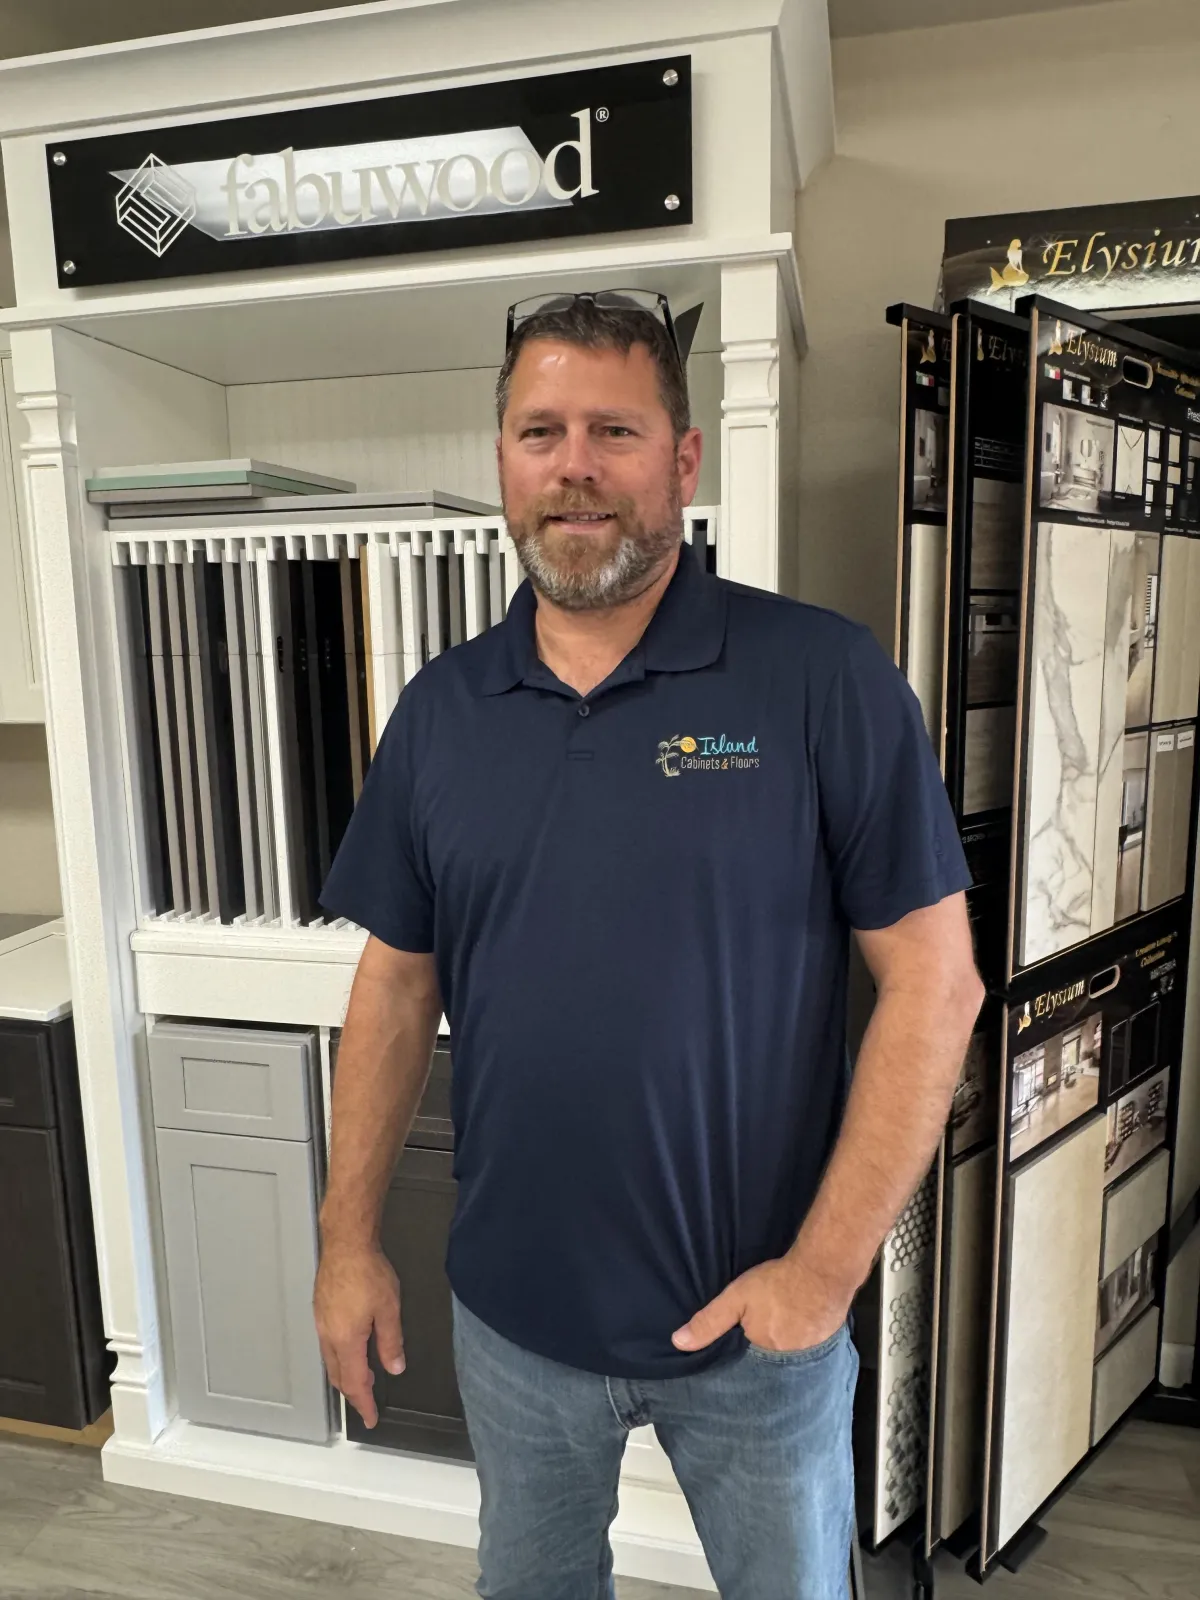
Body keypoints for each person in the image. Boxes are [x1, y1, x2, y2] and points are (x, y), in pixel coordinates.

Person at [314, 290, 984, 1600]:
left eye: (614, 430)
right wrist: (346, 1242)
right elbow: (395, 988)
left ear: (683, 458)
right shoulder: (444, 714)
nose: (575, 468)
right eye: (540, 431)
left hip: (758, 1343)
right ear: (503, 458)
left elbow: (934, 980)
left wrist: (823, 1275)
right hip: (515, 1328)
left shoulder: (820, 681)